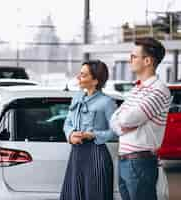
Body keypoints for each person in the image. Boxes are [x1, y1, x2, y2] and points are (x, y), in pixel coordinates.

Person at [110, 37, 171, 200]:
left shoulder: (159, 90)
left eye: (134, 56)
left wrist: (122, 124)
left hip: (140, 162)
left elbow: (126, 119)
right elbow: (114, 120)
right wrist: (123, 125)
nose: (130, 60)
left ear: (148, 61)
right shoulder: (137, 88)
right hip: (125, 160)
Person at [60, 60, 117, 200]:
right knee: (74, 195)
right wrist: (70, 135)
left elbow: (115, 131)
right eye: (80, 74)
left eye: (83, 75)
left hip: (96, 155)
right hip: (76, 154)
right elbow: (67, 122)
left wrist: (93, 135)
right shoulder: (77, 98)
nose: (78, 77)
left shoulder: (107, 103)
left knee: (95, 194)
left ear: (95, 80)